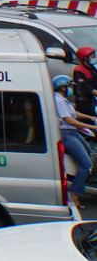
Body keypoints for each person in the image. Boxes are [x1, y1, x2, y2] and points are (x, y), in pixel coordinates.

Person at [57, 75, 97, 207]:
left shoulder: (64, 100)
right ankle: (74, 193)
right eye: (68, 86)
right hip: (67, 134)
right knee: (86, 164)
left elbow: (74, 113)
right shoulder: (58, 101)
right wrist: (91, 126)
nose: (70, 89)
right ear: (62, 87)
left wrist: (90, 118)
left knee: (92, 155)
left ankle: (83, 181)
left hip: (73, 132)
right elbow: (69, 120)